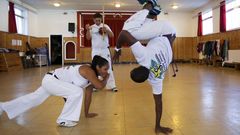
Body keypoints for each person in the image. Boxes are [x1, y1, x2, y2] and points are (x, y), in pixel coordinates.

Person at [113, 0, 175, 134]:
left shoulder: (157, 76)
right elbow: (123, 34)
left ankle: (150, 16)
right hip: (164, 31)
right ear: (138, 67)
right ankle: (149, 4)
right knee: (129, 29)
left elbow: (158, 102)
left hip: (169, 36)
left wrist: (158, 126)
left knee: (139, 30)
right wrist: (117, 48)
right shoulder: (143, 57)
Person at [0, 56, 109, 127]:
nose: (106, 72)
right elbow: (100, 86)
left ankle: (3, 106)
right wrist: (107, 78)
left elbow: (88, 96)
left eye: (107, 70)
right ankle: (64, 119)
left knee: (33, 99)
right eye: (105, 69)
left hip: (53, 82)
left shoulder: (92, 78)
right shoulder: (88, 70)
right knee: (77, 91)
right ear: (97, 67)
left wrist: (86, 113)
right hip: (51, 80)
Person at [85, 13, 118, 92]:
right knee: (95, 68)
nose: (98, 22)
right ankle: (94, 85)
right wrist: (88, 30)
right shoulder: (91, 27)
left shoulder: (105, 26)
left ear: (101, 20)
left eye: (99, 20)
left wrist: (106, 30)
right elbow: (88, 38)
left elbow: (112, 35)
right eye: (96, 20)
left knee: (108, 67)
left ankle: (112, 86)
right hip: (95, 50)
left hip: (104, 50)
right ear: (94, 20)